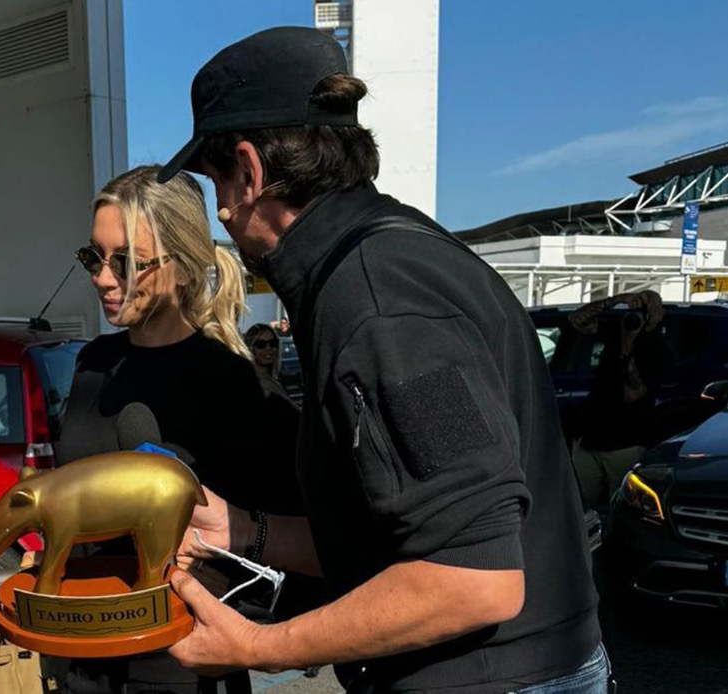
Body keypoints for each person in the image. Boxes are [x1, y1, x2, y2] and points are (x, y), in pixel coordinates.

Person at [157, 27, 607, 693]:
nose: (220, 210)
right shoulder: (389, 254)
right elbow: (399, 534)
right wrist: (243, 530)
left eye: (215, 180)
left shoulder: (377, 297)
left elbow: (473, 580)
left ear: (248, 172)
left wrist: (260, 645)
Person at [53, 165, 300, 693]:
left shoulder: (239, 389)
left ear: (184, 268)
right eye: (94, 257)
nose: (103, 278)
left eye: (127, 262)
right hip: (81, 660)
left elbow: (311, 546)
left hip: (184, 671)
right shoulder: (92, 364)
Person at [569, 290, 670, 509]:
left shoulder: (657, 348)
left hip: (624, 442)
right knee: (579, 501)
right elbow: (576, 319)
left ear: (658, 314)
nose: (639, 314)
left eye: (647, 308)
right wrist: (616, 300)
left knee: (621, 504)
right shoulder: (616, 330)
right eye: (638, 307)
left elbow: (631, 393)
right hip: (589, 438)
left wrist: (629, 345)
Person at [243, 323, 289, 398]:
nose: (268, 348)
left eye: (272, 343)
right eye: (261, 344)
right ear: (250, 348)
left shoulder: (276, 379)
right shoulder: (251, 383)